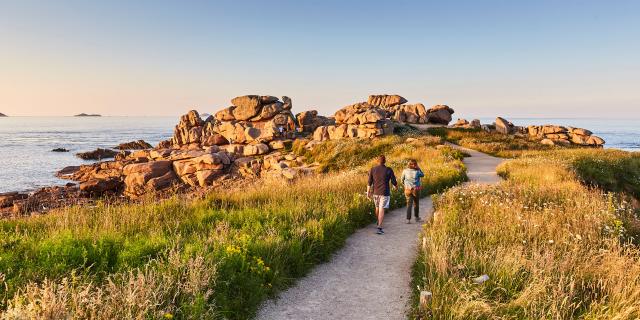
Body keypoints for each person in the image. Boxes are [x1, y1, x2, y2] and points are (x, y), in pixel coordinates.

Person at [367, 155, 398, 235]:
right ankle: (379, 227)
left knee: (377, 208)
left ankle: (378, 221)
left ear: (378, 161)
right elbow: (394, 181)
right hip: (385, 192)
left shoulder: (373, 169)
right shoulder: (389, 169)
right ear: (385, 161)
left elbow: (369, 182)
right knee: (381, 208)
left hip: (375, 192)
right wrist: (396, 186)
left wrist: (368, 192)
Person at [401, 159, 425, 223]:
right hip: (415, 189)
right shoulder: (417, 171)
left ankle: (408, 219)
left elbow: (402, 180)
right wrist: (419, 168)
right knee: (416, 204)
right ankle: (416, 218)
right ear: (415, 165)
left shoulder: (405, 171)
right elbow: (423, 175)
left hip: (407, 189)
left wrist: (405, 185)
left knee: (409, 204)